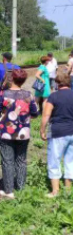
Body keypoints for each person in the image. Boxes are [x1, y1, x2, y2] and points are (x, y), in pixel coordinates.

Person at [0, 68, 39, 199]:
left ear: (12, 78)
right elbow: (35, 113)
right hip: (23, 133)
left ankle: (9, 191)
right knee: (21, 160)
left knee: (7, 161)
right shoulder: (28, 95)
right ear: (23, 80)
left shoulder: (3, 94)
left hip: (6, 133)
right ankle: (21, 188)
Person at [40, 68, 73, 197]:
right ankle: (68, 189)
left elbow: (45, 116)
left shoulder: (53, 96)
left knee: (54, 160)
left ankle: (55, 191)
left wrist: (42, 130)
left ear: (57, 83)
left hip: (58, 132)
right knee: (70, 161)